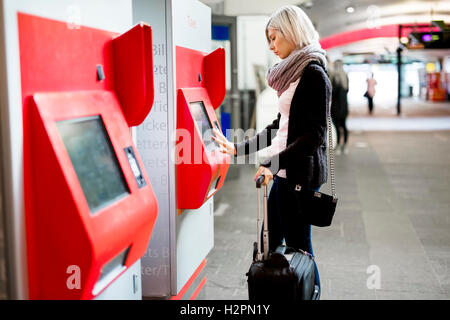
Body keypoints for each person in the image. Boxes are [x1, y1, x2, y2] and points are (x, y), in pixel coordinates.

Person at [212, 5, 331, 292]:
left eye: (274, 37)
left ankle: (309, 292)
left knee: (299, 246)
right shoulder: (295, 72)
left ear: (292, 33)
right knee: (273, 240)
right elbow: (281, 125)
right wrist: (239, 148)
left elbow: (313, 136)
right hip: (285, 171)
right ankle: (277, 291)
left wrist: (273, 163)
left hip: (298, 174)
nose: (271, 45)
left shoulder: (313, 73)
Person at [330, 59, 349, 155]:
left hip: (336, 106)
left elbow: (332, 93)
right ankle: (344, 145)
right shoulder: (345, 76)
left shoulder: (334, 76)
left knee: (338, 126)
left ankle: (338, 144)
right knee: (344, 126)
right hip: (344, 106)